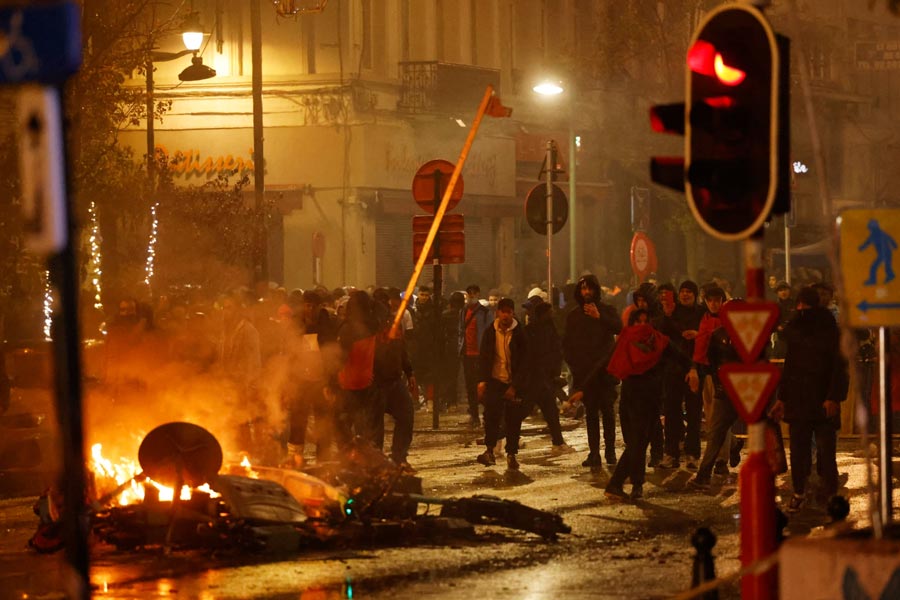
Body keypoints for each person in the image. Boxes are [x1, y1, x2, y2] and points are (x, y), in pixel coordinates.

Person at [770, 286, 849, 511]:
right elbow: (790, 367)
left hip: (821, 401)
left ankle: (828, 496)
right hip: (799, 402)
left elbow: (838, 368)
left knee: (824, 452)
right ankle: (800, 492)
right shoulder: (798, 330)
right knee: (800, 452)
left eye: (805, 305)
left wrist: (833, 397)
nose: (802, 309)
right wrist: (782, 399)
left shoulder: (828, 331)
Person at [604, 309, 694, 501]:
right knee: (636, 443)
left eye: (646, 321)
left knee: (639, 443)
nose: (642, 326)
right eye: (638, 322)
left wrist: (692, 370)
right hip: (632, 399)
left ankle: (632, 484)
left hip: (651, 400)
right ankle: (618, 483)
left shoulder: (659, 341)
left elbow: (681, 357)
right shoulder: (626, 340)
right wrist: (584, 388)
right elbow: (605, 362)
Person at [687, 288, 744, 490]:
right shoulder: (718, 333)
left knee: (719, 430)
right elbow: (709, 358)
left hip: (742, 389)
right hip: (726, 389)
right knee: (716, 431)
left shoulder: (748, 334)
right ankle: (705, 472)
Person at [564, 274, 622, 469]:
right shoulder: (573, 315)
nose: (586, 292)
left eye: (590, 288)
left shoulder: (607, 310)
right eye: (583, 289)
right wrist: (575, 369)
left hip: (605, 372)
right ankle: (594, 453)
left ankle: (611, 451)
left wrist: (600, 317)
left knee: (607, 412)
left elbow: (619, 328)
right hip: (585, 374)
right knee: (590, 415)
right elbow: (568, 345)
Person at [475, 298, 529, 470]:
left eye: (509, 312)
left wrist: (515, 386)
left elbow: (525, 363)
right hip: (494, 381)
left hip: (513, 383)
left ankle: (511, 454)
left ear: (513, 314)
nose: (506, 315)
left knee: (513, 420)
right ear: (497, 313)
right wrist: (482, 380)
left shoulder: (519, 334)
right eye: (503, 311)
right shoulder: (490, 332)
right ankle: (489, 451)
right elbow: (484, 357)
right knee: (491, 417)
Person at [658, 280, 705, 469]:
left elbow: (710, 335)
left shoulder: (701, 313)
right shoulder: (671, 312)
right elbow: (660, 334)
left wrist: (698, 334)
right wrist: (667, 316)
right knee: (671, 412)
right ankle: (671, 452)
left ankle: (693, 453)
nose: (685, 295)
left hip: (695, 368)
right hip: (673, 369)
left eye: (689, 292)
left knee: (694, 412)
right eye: (682, 291)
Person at [521, 296, 574, 455]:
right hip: (536, 379)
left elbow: (553, 353)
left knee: (550, 411)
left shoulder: (541, 329)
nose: (528, 313)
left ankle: (558, 442)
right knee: (523, 411)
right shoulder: (533, 330)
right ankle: (496, 439)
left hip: (542, 379)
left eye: (530, 310)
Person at [459, 284, 493, 428]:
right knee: (470, 385)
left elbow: (490, 332)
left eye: (474, 294)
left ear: (478, 294)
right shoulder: (463, 311)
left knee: (483, 385)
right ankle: (474, 415)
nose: (471, 296)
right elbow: (460, 330)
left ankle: (488, 415)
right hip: (467, 354)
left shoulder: (485, 312)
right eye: (469, 294)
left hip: (480, 354)